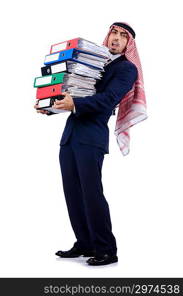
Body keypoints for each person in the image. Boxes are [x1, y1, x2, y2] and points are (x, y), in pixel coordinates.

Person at [34, 22, 147, 266]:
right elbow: (76, 92)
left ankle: (107, 249)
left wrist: (73, 104)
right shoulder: (95, 63)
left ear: (129, 44)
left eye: (122, 36)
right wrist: (50, 108)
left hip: (91, 138)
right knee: (73, 193)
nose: (116, 38)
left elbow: (107, 100)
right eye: (113, 33)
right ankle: (85, 243)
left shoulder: (127, 69)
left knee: (91, 193)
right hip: (71, 135)